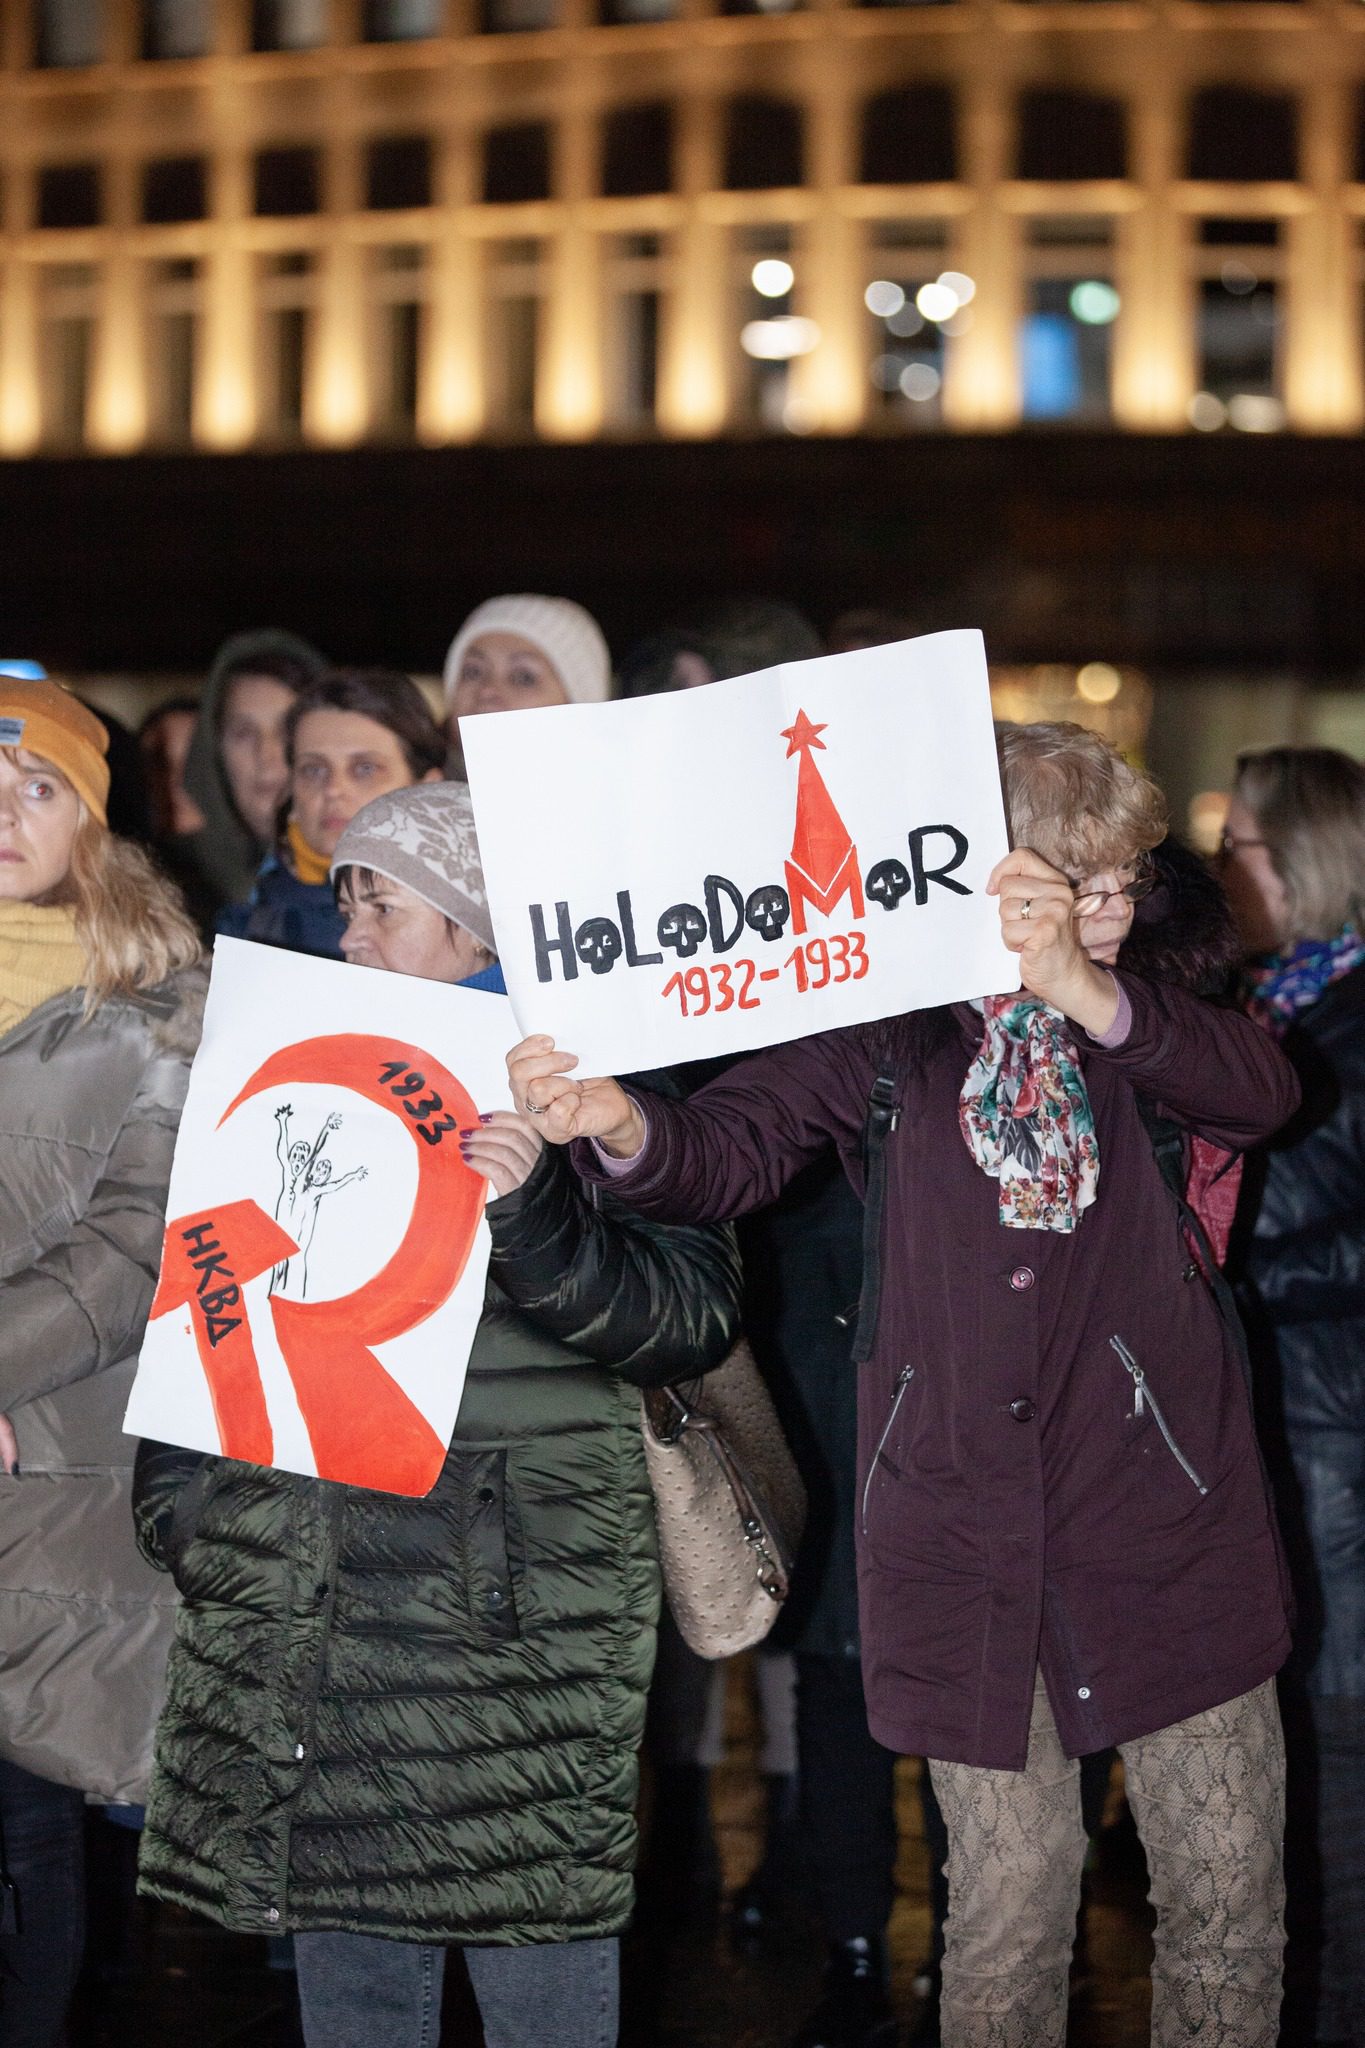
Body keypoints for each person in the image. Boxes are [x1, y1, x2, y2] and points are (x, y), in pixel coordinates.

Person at [511, 720, 1301, 2048]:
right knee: (1002, 1909)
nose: (1112, 906)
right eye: (1076, 879)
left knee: (1226, 1908)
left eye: (1121, 880)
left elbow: (1263, 1093)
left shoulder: (1151, 1010)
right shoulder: (890, 1032)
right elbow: (723, 1151)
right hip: (960, 1526)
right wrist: (617, 1123)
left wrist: (1088, 988)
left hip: (1166, 1516)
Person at [132, 781, 742, 2048]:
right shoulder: (291, 1070)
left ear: (481, 929)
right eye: (344, 903)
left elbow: (686, 1319)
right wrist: (180, 1494)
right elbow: (215, 1282)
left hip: (514, 1611)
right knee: (351, 1968)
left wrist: (534, 1215)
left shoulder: (612, 1086)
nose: (347, 934)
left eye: (383, 907)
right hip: (325, 1591)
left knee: (538, 1959)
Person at [0, 677, 203, 2048]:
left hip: (59, 1461)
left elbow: (142, 1243)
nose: (4, 816)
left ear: (91, 812)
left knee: (25, 1838)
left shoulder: (160, 1000)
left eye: (36, 787)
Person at [1221, 746, 1365, 2048]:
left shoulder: (1349, 1019)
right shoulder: (1265, 1004)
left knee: (1336, 1769)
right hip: (1281, 1429)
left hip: (1336, 1440)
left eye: (1242, 848)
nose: (1224, 872)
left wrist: (1231, 1276)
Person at [220, 667, 445, 959]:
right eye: (313, 769)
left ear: (427, 789)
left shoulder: (478, 932)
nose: (333, 789)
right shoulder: (242, 936)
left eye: (365, 768)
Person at [179, 629, 327, 921]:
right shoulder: (171, 894)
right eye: (244, 734)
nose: (267, 755)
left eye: (287, 731)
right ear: (215, 752)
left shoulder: (375, 887)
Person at [443, 594, 612, 775]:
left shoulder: (627, 798)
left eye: (524, 678)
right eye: (473, 672)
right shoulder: (415, 792)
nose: (487, 690)